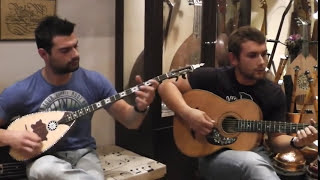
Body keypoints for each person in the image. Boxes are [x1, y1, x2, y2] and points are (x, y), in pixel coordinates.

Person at [0, 16, 159, 180]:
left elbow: (131, 121)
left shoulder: (94, 81)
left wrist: (141, 107)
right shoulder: (23, 90)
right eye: (65, 50)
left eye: (75, 46)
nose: (75, 54)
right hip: (44, 158)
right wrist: (10, 137)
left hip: (84, 155)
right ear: (43, 54)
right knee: (47, 170)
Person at [158, 26, 318, 180]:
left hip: (255, 153)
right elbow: (166, 85)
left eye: (264, 54)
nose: (262, 61)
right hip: (212, 154)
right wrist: (189, 114)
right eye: (253, 55)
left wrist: (296, 142)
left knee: (255, 163)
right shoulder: (213, 77)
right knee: (253, 164)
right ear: (233, 59)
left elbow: (276, 140)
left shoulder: (273, 93)